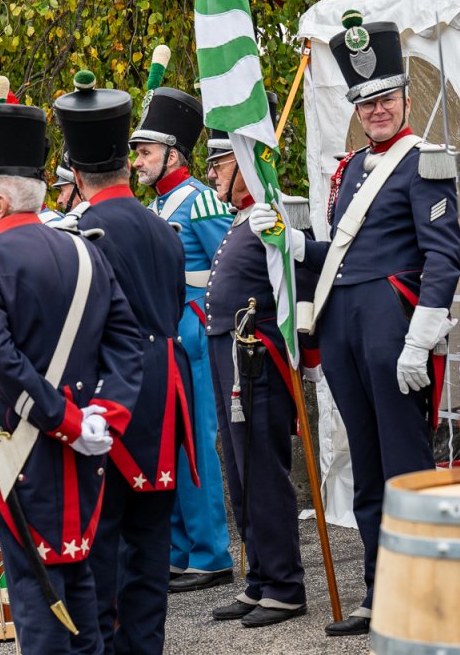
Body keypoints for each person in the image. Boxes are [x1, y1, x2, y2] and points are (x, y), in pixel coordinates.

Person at [250, 11, 460, 636]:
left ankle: (425, 600)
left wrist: (420, 340)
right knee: (367, 469)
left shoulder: (426, 163)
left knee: (406, 470)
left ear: (405, 99)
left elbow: (443, 259)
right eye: (367, 101)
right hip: (345, 330)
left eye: (386, 97)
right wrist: (291, 242)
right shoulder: (348, 170)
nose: (377, 109)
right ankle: (380, 593)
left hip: (392, 330)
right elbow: (340, 255)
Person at [0, 100, 143, 654]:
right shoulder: (84, 250)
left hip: (22, 447)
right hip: (85, 442)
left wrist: (66, 422)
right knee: (79, 580)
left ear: (0, 199)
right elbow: (126, 344)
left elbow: (0, 362)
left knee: (37, 593)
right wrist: (101, 417)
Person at [53, 71, 196, 654]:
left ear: (77, 173)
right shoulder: (163, 228)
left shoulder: (78, 235)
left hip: (108, 394)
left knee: (100, 542)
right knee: (150, 546)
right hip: (165, 391)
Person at [203, 110, 307, 629]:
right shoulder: (242, 219)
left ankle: (285, 585)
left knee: (263, 472)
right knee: (242, 474)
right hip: (230, 357)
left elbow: (299, 278)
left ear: (246, 163)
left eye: (222, 163)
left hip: (255, 358)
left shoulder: (273, 215)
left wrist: (285, 235)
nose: (213, 173)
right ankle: (260, 579)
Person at [129, 86, 235, 592]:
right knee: (167, 446)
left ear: (173, 153)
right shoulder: (154, 207)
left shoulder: (203, 200)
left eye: (145, 151)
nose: (137, 161)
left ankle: (211, 554)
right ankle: (178, 550)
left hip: (195, 334)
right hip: (163, 338)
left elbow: (228, 269)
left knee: (198, 447)